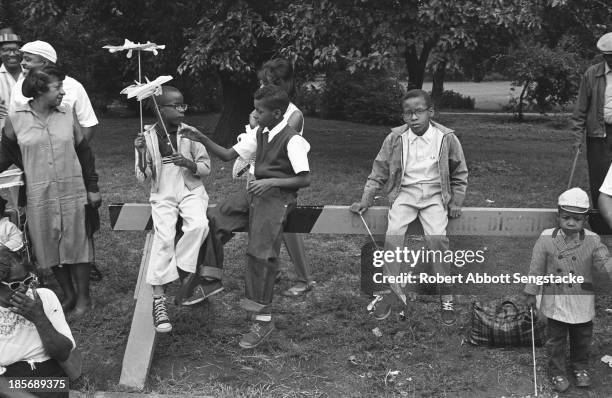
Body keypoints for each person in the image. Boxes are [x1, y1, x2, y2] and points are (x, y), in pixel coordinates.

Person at [180, 84, 311, 348]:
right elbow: (229, 156)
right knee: (216, 219)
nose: (255, 114)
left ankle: (262, 322)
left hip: (277, 198)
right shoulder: (260, 132)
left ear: (276, 113)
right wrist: (201, 137)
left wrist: (271, 183)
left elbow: (304, 179)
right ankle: (210, 279)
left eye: (259, 111)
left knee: (260, 254)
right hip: (255, 192)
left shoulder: (294, 140)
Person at [349, 89, 467, 326]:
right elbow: (379, 170)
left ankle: (446, 295)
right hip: (405, 193)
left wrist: (456, 200)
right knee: (393, 238)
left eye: (419, 112)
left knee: (436, 239)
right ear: (403, 116)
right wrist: (366, 199)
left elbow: (460, 171)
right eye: (408, 113)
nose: (413, 117)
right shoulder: (395, 138)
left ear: (430, 112)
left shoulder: (446, 137)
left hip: (434, 195)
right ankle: (394, 292)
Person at [1, 65, 100, 316]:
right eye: (57, 87)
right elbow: (7, 152)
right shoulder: (16, 118)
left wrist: (93, 186)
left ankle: (83, 299)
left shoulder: (66, 113)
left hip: (73, 189)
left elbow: (84, 152)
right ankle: (67, 294)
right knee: (48, 246)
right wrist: (28, 166)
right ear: (39, 89)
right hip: (38, 193)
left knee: (78, 244)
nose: (63, 92)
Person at [134, 86, 214, 333]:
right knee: (164, 237)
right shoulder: (146, 137)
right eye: (176, 106)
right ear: (159, 108)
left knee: (199, 225)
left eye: (183, 105)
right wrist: (140, 153)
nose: (182, 110)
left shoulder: (189, 133)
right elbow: (142, 177)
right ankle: (159, 300)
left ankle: (182, 270)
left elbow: (206, 167)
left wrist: (188, 162)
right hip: (163, 191)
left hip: (190, 189)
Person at [522, 188, 612, 393]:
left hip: (582, 299)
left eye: (577, 219)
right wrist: (530, 292)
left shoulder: (592, 239)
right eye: (566, 217)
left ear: (585, 219)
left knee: (582, 336)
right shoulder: (546, 238)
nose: (571, 223)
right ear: (558, 216)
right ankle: (557, 371)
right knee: (556, 339)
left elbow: (603, 262)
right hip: (556, 300)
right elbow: (535, 268)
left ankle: (580, 365)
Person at [237, 58, 314, 297]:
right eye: (261, 82)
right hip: (258, 175)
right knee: (258, 225)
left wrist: (254, 125)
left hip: (281, 180)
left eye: (266, 83)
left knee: (289, 229)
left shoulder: (293, 114)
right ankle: (274, 269)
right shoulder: (264, 107)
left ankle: (304, 278)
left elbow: (271, 137)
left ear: (283, 85)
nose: (261, 87)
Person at [0, 245, 75, 398]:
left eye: (27, 280)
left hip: (49, 376)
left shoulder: (44, 297)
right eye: (15, 285)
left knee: (54, 388)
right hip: (7, 379)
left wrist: (39, 318)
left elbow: (63, 353)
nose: (23, 289)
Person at [8, 40, 98, 141]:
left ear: (45, 63)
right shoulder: (19, 87)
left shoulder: (74, 87)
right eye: (23, 59)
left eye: (27, 59)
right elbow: (12, 123)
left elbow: (88, 124)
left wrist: (77, 152)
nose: (22, 63)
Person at [571, 32, 612, 234]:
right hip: (598, 134)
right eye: (608, 56)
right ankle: (602, 224)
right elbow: (580, 109)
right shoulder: (592, 74)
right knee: (600, 179)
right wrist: (577, 137)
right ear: (604, 56)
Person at [0, 28, 24, 132]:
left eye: (16, 49)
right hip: (3, 140)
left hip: (32, 139)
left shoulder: (32, 75)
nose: (12, 54)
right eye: (6, 50)